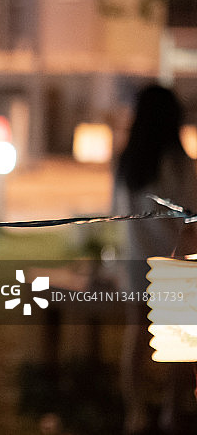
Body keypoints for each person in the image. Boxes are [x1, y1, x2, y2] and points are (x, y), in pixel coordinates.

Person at [112, 84, 197, 434]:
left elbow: (114, 212)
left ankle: (135, 413)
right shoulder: (179, 163)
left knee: (136, 337)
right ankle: (170, 411)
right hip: (174, 263)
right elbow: (190, 217)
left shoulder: (127, 163)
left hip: (136, 261)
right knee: (178, 340)